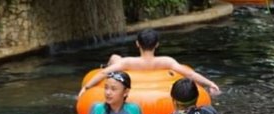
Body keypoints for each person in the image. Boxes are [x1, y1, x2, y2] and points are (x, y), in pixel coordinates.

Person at [78, 28, 220, 97]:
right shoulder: (166, 61)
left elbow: (104, 73)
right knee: (116, 58)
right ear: (157, 44)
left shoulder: (128, 62)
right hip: (157, 72)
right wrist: (210, 83)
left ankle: (111, 62)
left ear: (137, 44)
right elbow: (190, 74)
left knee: (115, 58)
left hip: (132, 70)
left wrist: (86, 87)